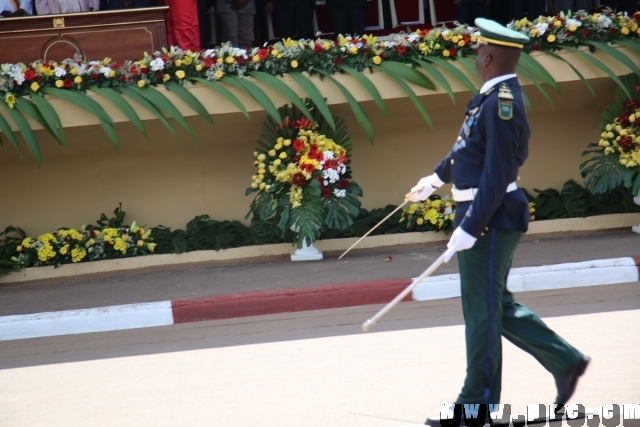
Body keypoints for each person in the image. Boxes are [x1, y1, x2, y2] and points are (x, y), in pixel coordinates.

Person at [412, 18, 590, 424]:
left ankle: (475, 405)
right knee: (494, 307)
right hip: (482, 214)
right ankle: (565, 361)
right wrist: (437, 178)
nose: (476, 56)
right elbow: (467, 148)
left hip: (489, 218)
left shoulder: (502, 101)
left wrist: (470, 227)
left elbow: (497, 172)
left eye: (478, 51)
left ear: (489, 56)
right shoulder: (491, 97)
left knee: (482, 313)